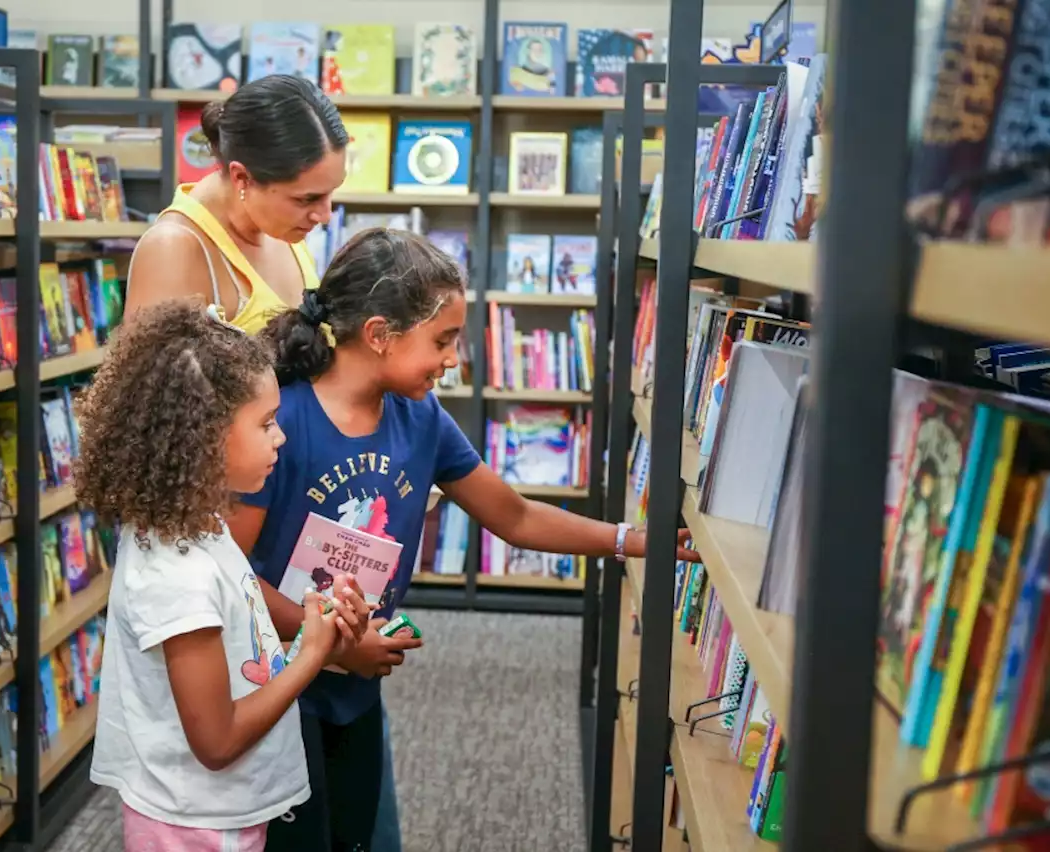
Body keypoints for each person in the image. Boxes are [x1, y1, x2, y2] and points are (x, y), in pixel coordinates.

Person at [229, 229, 701, 852]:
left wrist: (630, 540)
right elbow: (231, 575)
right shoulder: (280, 422)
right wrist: (336, 647)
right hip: (279, 686)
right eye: (442, 341)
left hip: (355, 683)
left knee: (354, 837)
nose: (454, 359)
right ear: (378, 335)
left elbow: (514, 516)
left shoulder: (420, 418)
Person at [76, 299, 371, 852]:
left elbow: (236, 644)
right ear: (203, 437)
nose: (280, 437)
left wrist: (317, 631)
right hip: (196, 823)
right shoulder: (177, 575)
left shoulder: (194, 525)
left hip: (214, 810)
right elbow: (217, 739)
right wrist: (311, 654)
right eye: (265, 423)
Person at [124, 74, 348, 332]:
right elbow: (150, 371)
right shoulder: (172, 249)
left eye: (331, 192)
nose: (325, 215)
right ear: (242, 177)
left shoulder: (282, 227)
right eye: (307, 199)